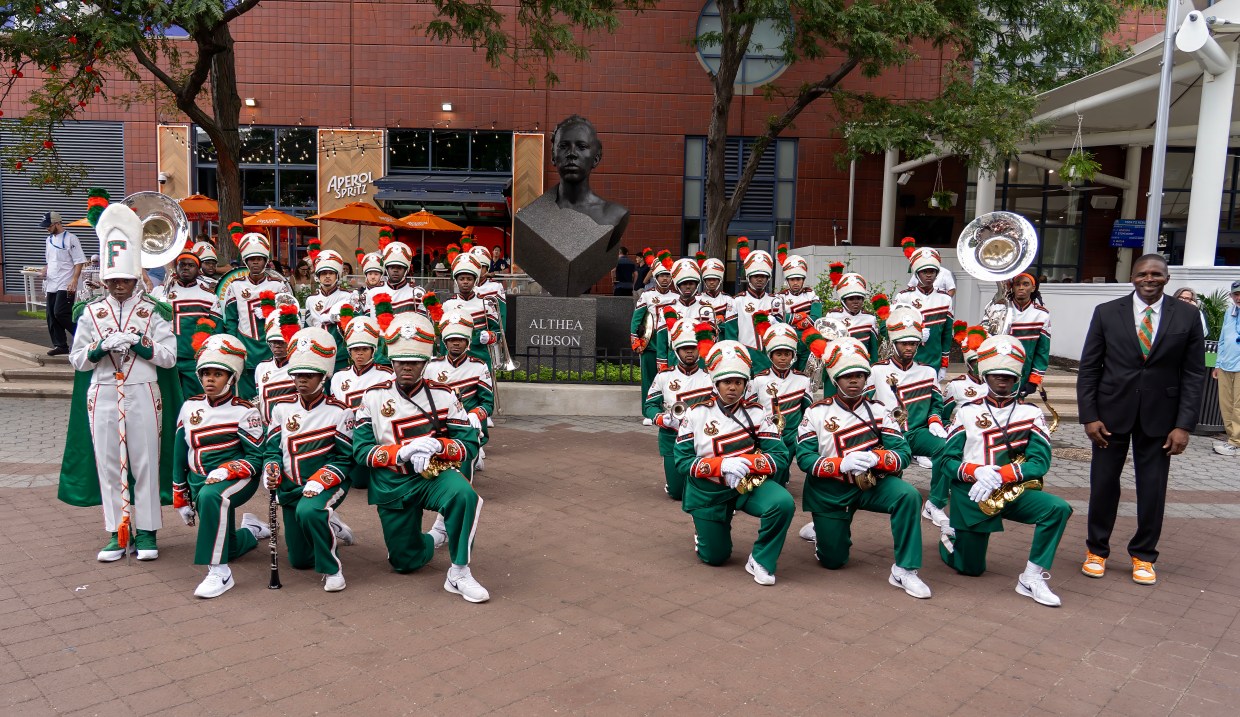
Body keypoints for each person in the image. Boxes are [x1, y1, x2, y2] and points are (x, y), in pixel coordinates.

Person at [1078, 254, 1206, 586]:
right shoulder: (1107, 312)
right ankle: (1096, 550)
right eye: (1142, 273)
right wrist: (1089, 416)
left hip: (1161, 419)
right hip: (1110, 415)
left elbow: (1193, 374)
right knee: (1103, 485)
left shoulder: (1188, 316)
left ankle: (1144, 555)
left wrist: (1184, 425)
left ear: (1167, 278)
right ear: (1132, 277)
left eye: (1156, 274)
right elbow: (1090, 367)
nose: (1149, 279)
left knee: (1152, 489)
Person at [351, 312, 490, 602]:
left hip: (433, 476)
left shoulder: (444, 394)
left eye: (414, 362)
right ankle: (433, 538)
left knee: (465, 495)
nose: (407, 367)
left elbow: (469, 446)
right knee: (404, 562)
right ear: (391, 361)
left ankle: (460, 571)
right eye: (401, 361)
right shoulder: (372, 396)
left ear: (426, 363)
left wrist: (439, 447)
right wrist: (400, 452)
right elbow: (360, 452)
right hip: (392, 483)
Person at [69, 203, 177, 561]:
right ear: (105, 280)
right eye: (113, 280)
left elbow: (170, 356)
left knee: (144, 461)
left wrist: (143, 345)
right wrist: (100, 347)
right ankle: (117, 530)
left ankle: (146, 532)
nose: (118, 286)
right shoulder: (90, 313)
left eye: (125, 280)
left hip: (143, 390)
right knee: (109, 461)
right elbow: (77, 360)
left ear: (135, 278)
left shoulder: (153, 310)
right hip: (101, 392)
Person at [939, 334, 1071, 607]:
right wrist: (975, 471)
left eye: (1009, 376)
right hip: (973, 494)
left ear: (1017, 378)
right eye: (997, 374)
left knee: (1057, 508)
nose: (1003, 380)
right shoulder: (966, 412)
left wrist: (1002, 474)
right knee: (971, 568)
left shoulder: (1031, 414)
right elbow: (946, 461)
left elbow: (1040, 463)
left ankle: (1032, 577)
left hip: (1011, 490)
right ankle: (950, 537)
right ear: (986, 375)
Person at [796, 337, 930, 599]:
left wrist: (876, 459)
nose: (855, 380)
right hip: (830, 490)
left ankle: (905, 569)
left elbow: (903, 453)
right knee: (833, 561)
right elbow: (804, 458)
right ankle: (821, 532)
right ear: (835, 380)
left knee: (909, 496)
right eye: (847, 376)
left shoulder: (881, 410)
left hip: (872, 485)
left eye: (859, 375)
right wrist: (839, 464)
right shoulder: (815, 412)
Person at [674, 340, 795, 585]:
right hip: (708, 491)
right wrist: (722, 466)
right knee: (716, 558)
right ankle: (705, 533)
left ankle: (761, 560)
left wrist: (746, 463)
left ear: (745, 385)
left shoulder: (758, 413)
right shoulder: (695, 414)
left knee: (782, 503)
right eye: (727, 382)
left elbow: (780, 456)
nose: (733, 388)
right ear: (716, 383)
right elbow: (683, 461)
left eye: (738, 382)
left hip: (746, 485)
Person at [171, 335, 270, 598]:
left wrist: (228, 469)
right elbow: (180, 451)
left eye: (218, 374)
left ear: (232, 378)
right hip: (199, 481)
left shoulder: (245, 411)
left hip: (236, 479)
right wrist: (180, 496)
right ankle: (251, 530)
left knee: (212, 497)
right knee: (225, 544)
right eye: (205, 374)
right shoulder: (190, 405)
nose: (209, 380)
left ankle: (219, 572)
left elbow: (256, 458)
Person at [262, 327, 356, 592]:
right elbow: (271, 450)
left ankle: (332, 569)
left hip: (327, 484)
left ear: (323, 377)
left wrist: (320, 480)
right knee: (300, 561)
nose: (301, 380)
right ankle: (330, 524)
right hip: (291, 487)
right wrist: (271, 468)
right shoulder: (281, 408)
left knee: (309, 510)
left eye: (308, 375)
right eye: (297, 375)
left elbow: (345, 459)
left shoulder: (341, 411)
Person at [866, 307, 952, 539]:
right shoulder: (876, 370)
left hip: (917, 432)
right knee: (894, 486)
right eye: (904, 343)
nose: (909, 348)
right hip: (887, 436)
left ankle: (935, 503)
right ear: (894, 344)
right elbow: (865, 404)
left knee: (946, 447)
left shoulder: (927, 372)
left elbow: (936, 404)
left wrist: (935, 421)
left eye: (913, 344)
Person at [643, 318, 714, 500]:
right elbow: (649, 405)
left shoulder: (711, 377)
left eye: (693, 348)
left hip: (702, 439)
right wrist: (660, 418)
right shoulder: (664, 376)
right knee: (676, 494)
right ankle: (676, 483)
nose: (689, 352)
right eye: (684, 348)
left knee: (702, 487)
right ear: (676, 350)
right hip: (671, 437)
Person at [220, 233, 292, 399]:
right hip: (246, 346)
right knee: (246, 397)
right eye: (251, 259)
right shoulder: (235, 286)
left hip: (271, 346)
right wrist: (234, 346)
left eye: (259, 259)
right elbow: (231, 320)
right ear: (246, 261)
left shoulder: (277, 285)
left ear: (265, 261)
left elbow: (289, 317)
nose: (255, 262)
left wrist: (272, 311)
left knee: (273, 393)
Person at [426, 312, 496, 476]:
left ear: (468, 342)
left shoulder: (479, 367)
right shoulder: (431, 366)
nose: (455, 344)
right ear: (445, 342)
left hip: (466, 424)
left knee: (461, 474)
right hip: (439, 423)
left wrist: (474, 415)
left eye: (460, 340)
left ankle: (474, 449)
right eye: (451, 340)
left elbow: (488, 404)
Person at [151, 243, 220, 397]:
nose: (186, 268)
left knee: (195, 401)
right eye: (182, 265)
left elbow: (217, 330)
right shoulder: (160, 291)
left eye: (191, 265)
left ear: (198, 269)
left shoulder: (209, 296)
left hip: (193, 360)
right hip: (165, 357)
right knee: (167, 402)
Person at [749, 323, 812, 488]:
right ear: (770, 355)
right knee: (770, 477)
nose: (783, 358)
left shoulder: (803, 380)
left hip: (792, 434)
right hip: (767, 434)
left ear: (793, 355)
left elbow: (807, 411)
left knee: (779, 479)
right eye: (778, 354)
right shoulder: (758, 380)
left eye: (787, 354)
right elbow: (752, 410)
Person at [550, 114, 630, 244]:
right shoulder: (534, 216)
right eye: (563, 146)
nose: (572, 153)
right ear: (553, 156)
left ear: (596, 158)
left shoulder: (615, 214)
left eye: (581, 147)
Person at [722, 249, 787, 374]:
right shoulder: (736, 301)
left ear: (768, 278)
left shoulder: (776, 301)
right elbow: (731, 335)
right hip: (745, 356)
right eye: (756, 276)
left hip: (770, 357)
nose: (759, 279)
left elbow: (780, 334)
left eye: (763, 276)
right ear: (748, 277)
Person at [896, 244, 954, 380]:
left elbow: (946, 334)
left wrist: (944, 364)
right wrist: (914, 330)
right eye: (924, 271)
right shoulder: (904, 297)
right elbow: (891, 329)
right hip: (907, 359)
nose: (929, 274)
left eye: (932, 271)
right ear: (917, 273)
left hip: (934, 360)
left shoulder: (945, 299)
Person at [630, 256, 678, 423]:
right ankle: (648, 412)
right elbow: (637, 319)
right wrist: (636, 340)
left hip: (671, 344)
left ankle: (669, 410)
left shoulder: (677, 297)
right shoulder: (647, 296)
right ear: (655, 277)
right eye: (661, 275)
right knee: (649, 379)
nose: (665, 278)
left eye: (667, 275)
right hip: (651, 342)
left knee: (669, 378)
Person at [441, 252, 501, 369]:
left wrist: (490, 336)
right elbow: (443, 335)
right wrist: (443, 357)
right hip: (453, 358)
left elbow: (498, 332)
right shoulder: (448, 305)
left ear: (475, 281)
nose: (465, 282)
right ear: (456, 281)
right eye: (461, 278)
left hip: (480, 355)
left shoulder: (486, 304)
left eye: (469, 279)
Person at [41, 210, 87, 356]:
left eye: (49, 225)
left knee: (61, 312)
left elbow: (79, 261)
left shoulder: (71, 239)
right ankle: (60, 345)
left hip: (66, 282)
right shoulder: (48, 240)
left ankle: (84, 336)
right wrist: (44, 270)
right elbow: (50, 261)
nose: (47, 228)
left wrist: (74, 280)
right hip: (52, 281)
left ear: (57, 223)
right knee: (51, 315)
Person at [654, 259, 713, 369]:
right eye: (684, 283)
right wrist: (662, 363)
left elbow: (711, 340)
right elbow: (661, 341)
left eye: (691, 283)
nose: (688, 287)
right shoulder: (667, 309)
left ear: (696, 285)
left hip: (700, 359)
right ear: (677, 285)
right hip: (674, 358)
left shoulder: (706, 309)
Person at [304, 250, 353, 373]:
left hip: (340, 354)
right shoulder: (311, 299)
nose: (327, 276)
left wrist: (334, 317)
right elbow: (308, 327)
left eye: (331, 273)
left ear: (337, 276)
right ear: (318, 276)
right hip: (317, 353)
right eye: (323, 273)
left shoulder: (347, 296)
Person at [1004, 273, 1052, 399]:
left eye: (1025, 284)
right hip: (996, 370)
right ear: (1012, 287)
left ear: (1033, 288)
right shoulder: (998, 308)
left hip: (1023, 373)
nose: (1021, 287)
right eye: (1017, 284)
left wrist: (1034, 380)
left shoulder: (1042, 315)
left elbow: (1042, 351)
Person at [822, 271, 881, 367]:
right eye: (851, 299)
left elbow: (873, 350)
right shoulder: (832, 316)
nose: (856, 302)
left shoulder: (870, 319)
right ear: (843, 300)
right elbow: (827, 347)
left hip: (861, 365)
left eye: (859, 298)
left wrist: (873, 369)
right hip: (837, 365)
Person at [779, 252, 822, 373]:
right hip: (788, 339)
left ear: (803, 280)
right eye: (792, 279)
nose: (795, 283)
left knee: (804, 374)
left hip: (807, 340)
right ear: (787, 280)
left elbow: (816, 317)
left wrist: (794, 320)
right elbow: (778, 318)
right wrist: (802, 315)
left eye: (798, 279)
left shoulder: (811, 295)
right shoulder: (780, 297)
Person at [254, 313, 298, 423]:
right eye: (274, 342)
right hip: (268, 427)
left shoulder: (299, 366)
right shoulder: (261, 368)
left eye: (282, 342)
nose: (277, 346)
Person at [942, 323, 989, 424]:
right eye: (975, 361)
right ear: (968, 363)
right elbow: (943, 417)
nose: (979, 365)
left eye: (983, 360)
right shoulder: (956, 385)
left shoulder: (997, 385)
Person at [1213, 281, 1240, 457]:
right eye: (1235, 294)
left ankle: (1235, 442)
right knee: (1226, 404)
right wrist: (1217, 363)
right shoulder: (1228, 312)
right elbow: (1222, 340)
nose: (1238, 298)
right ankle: (1232, 438)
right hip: (1225, 365)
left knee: (1238, 406)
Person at [698, 257, 732, 325]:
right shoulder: (698, 299)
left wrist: (722, 318)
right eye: (709, 279)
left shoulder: (728, 299)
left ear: (720, 280)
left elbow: (730, 320)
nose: (711, 282)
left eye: (714, 279)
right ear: (704, 281)